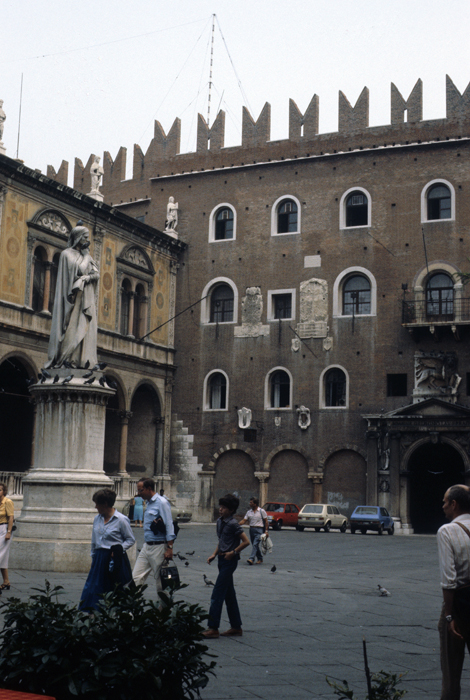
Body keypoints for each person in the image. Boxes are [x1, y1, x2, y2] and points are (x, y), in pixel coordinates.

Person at [45, 224, 99, 369]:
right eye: (85, 237)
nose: (88, 240)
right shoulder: (66, 254)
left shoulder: (86, 256)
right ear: (79, 238)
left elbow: (96, 273)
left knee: (85, 330)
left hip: (86, 299)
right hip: (74, 303)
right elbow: (80, 270)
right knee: (73, 331)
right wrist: (86, 257)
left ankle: (81, 361)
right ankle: (68, 359)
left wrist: (88, 278)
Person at [437, 483, 470, 700]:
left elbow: (449, 581)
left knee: (451, 672)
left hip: (459, 604)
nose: (442, 507)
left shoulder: (447, 531)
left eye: (444, 502)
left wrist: (449, 616)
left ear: (454, 504)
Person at [79, 488, 135, 611]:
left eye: (97, 504)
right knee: (94, 588)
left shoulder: (121, 520)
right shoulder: (96, 519)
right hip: (99, 557)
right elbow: (94, 540)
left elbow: (130, 540)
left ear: (105, 504)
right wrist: (93, 556)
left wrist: (118, 550)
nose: (95, 507)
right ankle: (92, 614)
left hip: (114, 558)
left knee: (114, 588)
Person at [203, 493, 250, 639]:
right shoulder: (220, 522)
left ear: (231, 510)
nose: (221, 509)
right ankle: (236, 627)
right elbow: (221, 541)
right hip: (221, 560)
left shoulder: (233, 524)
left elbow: (246, 542)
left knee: (217, 593)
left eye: (224, 507)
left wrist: (233, 552)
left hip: (230, 561)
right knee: (229, 595)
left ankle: (213, 627)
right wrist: (214, 554)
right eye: (220, 507)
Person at [132, 478, 175, 594]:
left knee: (162, 583)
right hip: (147, 546)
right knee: (135, 578)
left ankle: (164, 610)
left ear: (149, 488)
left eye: (141, 490)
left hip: (160, 547)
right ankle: (131, 610)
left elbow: (169, 525)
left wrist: (169, 548)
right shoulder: (149, 503)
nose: (139, 493)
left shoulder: (162, 502)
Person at [239, 497, 268, 565]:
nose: (249, 504)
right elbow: (244, 520)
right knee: (255, 545)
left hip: (259, 530)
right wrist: (237, 524)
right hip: (251, 530)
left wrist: (266, 531)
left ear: (255, 504)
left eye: (251, 502)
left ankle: (251, 559)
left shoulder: (261, 511)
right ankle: (260, 558)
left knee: (255, 544)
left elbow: (266, 521)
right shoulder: (249, 512)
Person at [0, 483, 14, 590]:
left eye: (0, 490)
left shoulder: (8, 502)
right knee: (3, 557)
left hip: (4, 529)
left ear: (4, 491)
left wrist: (9, 532)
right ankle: (6, 581)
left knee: (0, 555)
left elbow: (11, 518)